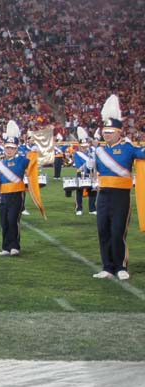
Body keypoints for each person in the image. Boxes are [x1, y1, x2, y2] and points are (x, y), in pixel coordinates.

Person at [92, 95, 145, 280]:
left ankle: (121, 266)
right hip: (103, 195)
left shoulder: (128, 147)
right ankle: (107, 266)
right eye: (105, 131)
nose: (107, 134)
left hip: (121, 196)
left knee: (117, 231)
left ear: (119, 132)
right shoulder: (99, 151)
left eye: (111, 131)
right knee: (103, 231)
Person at [0, 120, 31, 256]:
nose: (9, 150)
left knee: (13, 220)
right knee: (4, 222)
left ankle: (15, 246)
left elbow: (31, 162)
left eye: (12, 148)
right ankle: (5, 248)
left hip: (16, 194)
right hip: (3, 195)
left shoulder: (21, 159)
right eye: (7, 147)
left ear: (16, 148)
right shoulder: (0, 163)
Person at [73, 127, 96, 216]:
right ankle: (79, 208)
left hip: (92, 174)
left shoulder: (92, 152)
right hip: (81, 173)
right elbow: (78, 167)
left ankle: (92, 208)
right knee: (79, 191)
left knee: (93, 191)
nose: (85, 148)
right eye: (83, 146)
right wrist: (87, 165)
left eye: (86, 146)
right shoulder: (77, 154)